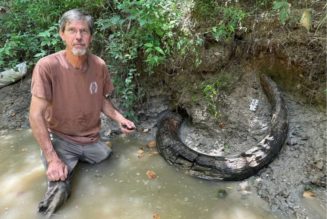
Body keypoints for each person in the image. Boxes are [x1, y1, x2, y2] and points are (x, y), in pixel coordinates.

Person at [29, 9, 136, 217]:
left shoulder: (99, 65)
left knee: (108, 159)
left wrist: (120, 119)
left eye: (84, 31)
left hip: (90, 140)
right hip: (61, 139)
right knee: (58, 190)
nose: (78, 37)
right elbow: (35, 115)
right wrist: (52, 158)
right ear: (62, 34)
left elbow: (102, 101)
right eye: (72, 30)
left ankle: (75, 160)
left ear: (91, 37)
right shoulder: (47, 66)